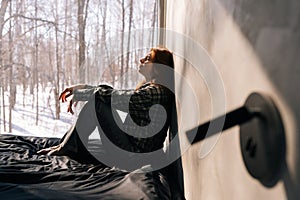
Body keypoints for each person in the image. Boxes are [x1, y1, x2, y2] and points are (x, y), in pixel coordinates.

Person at [38, 47, 185, 199]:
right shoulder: (152, 89)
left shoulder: (156, 93)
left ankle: (66, 147)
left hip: (135, 156)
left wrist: (80, 93)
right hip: (135, 149)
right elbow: (113, 94)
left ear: (159, 67)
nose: (141, 60)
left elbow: (113, 97)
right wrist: (81, 88)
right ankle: (68, 145)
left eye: (148, 58)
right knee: (102, 98)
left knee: (98, 104)